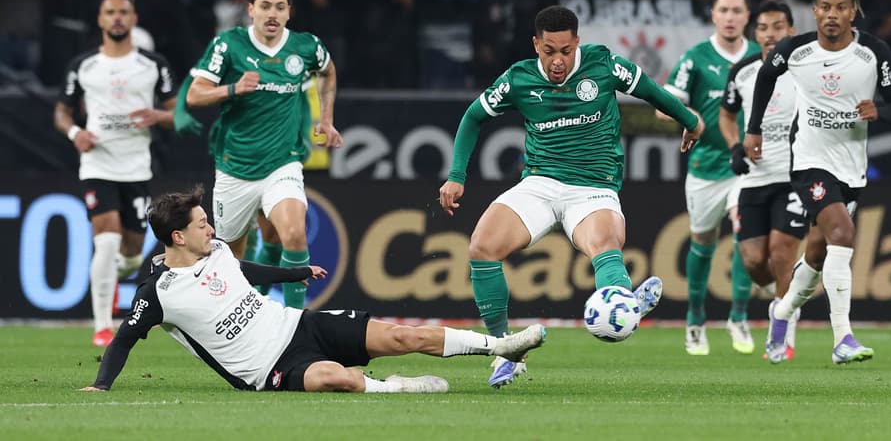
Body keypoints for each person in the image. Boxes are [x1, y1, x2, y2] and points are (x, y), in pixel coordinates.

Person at [438, 5, 703, 388]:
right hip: (540, 183)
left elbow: (652, 92)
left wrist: (690, 121)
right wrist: (456, 176)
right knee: (481, 246)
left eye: (565, 50)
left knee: (604, 244)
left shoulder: (604, 65)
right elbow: (473, 116)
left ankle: (622, 301)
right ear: (536, 45)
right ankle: (507, 351)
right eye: (549, 51)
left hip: (593, 187)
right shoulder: (518, 79)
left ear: (577, 42)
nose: (558, 60)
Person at [79, 186, 546, 393]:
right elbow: (124, 338)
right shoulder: (157, 293)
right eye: (201, 224)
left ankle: (503, 346)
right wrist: (102, 386)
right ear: (177, 237)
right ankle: (398, 389)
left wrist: (294, 274)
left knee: (403, 336)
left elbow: (246, 271)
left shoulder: (217, 250)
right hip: (268, 369)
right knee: (337, 379)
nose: (211, 227)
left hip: (300, 325)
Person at [744, 0, 891, 364]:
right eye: (825, 7)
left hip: (850, 169)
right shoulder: (795, 51)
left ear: (854, 12)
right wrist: (754, 129)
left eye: (840, 8)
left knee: (818, 255)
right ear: (814, 11)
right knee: (843, 233)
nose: (832, 14)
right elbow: (766, 77)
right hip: (808, 162)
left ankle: (781, 314)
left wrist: (878, 112)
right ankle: (843, 338)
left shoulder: (873, 52)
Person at [186, 0, 343, 310]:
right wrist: (232, 89)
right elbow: (195, 96)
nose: (273, 14)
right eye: (266, 6)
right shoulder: (228, 45)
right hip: (235, 167)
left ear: (289, 13)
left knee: (294, 233)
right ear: (251, 9)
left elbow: (328, 71)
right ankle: (245, 312)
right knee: (230, 259)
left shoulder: (305, 46)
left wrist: (326, 118)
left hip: (282, 162)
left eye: (280, 7)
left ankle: (295, 325)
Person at [52, 0, 176, 347]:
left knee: (132, 251)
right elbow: (61, 111)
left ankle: (121, 270)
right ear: (101, 19)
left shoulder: (153, 64)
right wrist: (76, 132)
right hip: (97, 163)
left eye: (124, 12)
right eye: (111, 12)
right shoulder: (84, 66)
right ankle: (102, 327)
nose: (117, 17)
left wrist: (157, 116)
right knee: (105, 241)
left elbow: (178, 113)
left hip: (136, 167)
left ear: (134, 19)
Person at [659, 0, 759, 356]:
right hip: (704, 167)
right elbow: (661, 104)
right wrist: (689, 116)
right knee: (701, 243)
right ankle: (696, 319)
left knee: (745, 235)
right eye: (724, 10)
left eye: (737, 10)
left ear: (747, 16)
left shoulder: (759, 56)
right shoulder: (696, 58)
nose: (730, 17)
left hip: (747, 167)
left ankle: (739, 316)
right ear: (713, 15)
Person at [718, 0, 806, 360]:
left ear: (791, 31)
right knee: (753, 259)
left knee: (782, 252)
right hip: (755, 179)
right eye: (765, 28)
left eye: (779, 27)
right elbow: (726, 115)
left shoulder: (807, 67)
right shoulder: (742, 71)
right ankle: (783, 301)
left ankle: (782, 334)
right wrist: (735, 145)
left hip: (796, 175)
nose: (772, 35)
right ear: (755, 34)